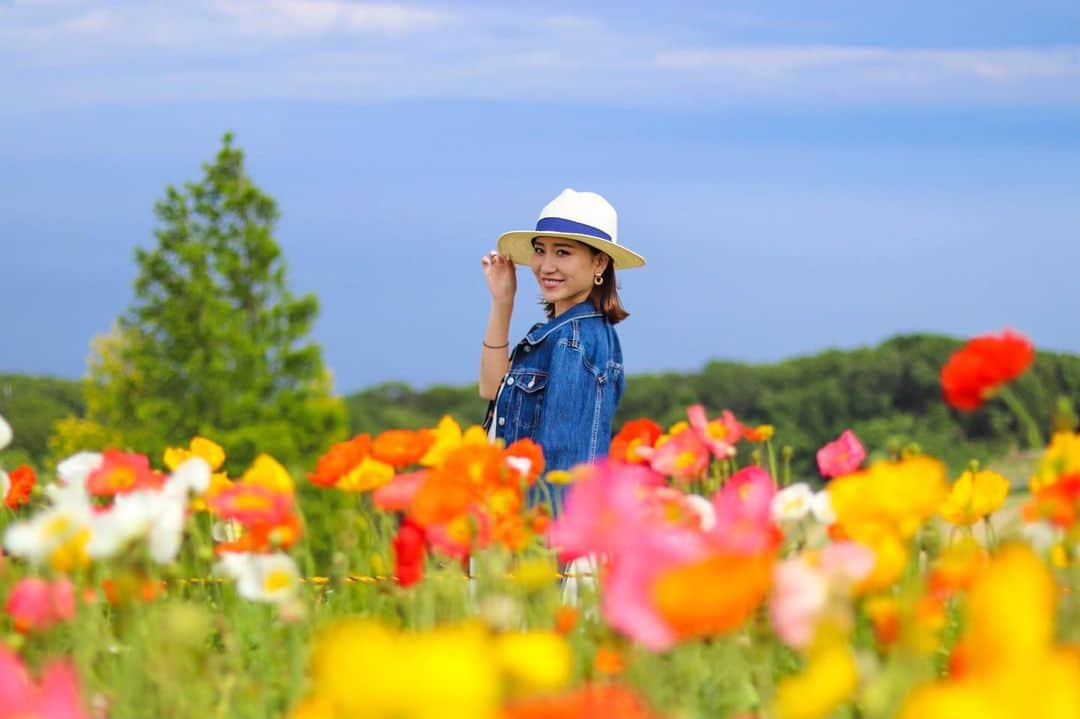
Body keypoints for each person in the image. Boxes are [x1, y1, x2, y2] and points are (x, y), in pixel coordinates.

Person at [479, 188, 646, 513]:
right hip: (512, 523)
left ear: (599, 262)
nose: (545, 265)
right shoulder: (555, 335)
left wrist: (541, 549)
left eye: (563, 253)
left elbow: (566, 462)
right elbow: (490, 389)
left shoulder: (576, 340)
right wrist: (502, 301)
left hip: (539, 535)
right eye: (540, 251)